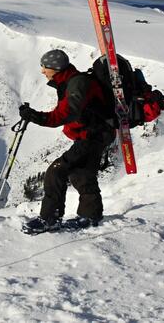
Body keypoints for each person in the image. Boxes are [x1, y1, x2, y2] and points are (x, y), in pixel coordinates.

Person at [19, 49, 115, 234]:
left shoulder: (77, 83)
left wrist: (35, 117)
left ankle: (49, 219)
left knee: (56, 171)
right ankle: (91, 215)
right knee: (82, 173)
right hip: (96, 133)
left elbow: (66, 113)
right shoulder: (70, 81)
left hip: (94, 134)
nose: (42, 71)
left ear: (55, 68)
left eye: (44, 67)